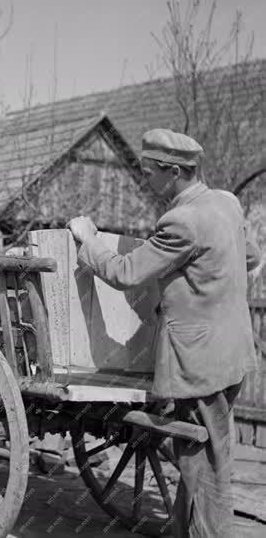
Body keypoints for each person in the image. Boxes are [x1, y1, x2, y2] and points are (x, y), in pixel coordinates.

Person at [68, 128, 261, 538]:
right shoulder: (225, 203)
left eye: (148, 171)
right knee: (210, 451)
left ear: (173, 171)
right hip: (233, 350)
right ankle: (181, 530)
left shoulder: (181, 220)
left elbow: (125, 273)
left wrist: (88, 239)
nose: (144, 179)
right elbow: (250, 257)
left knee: (203, 462)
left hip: (199, 360)